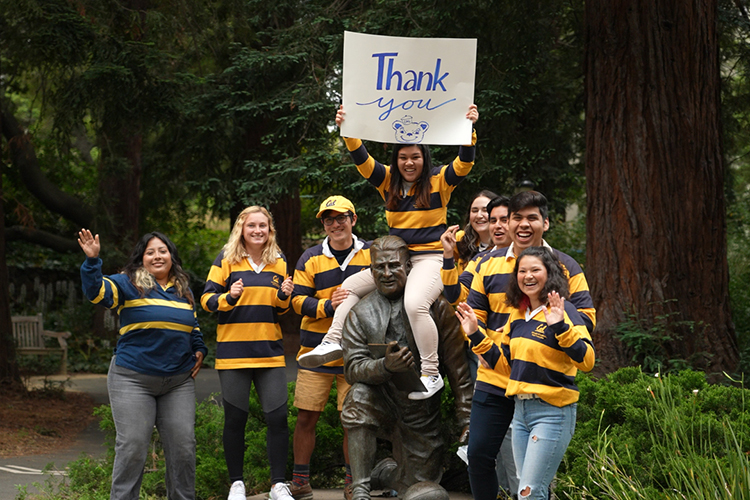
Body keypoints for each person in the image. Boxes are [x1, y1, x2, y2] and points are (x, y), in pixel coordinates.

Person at [299, 104, 480, 401]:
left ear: (425, 158)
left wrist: (468, 129)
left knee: (414, 304)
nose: (409, 163)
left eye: (415, 157)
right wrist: (348, 129)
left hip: (429, 259)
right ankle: (332, 340)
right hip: (397, 261)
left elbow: (464, 163)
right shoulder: (387, 182)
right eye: (403, 158)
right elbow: (362, 160)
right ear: (396, 161)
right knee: (349, 286)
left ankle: (431, 374)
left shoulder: (438, 181)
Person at [455, 191, 596, 500]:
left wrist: (552, 331)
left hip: (545, 384)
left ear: (545, 223)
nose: (522, 224)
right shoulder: (485, 264)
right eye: (515, 217)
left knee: (530, 482)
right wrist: (490, 346)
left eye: (531, 217)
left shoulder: (566, 265)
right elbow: (473, 318)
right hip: (497, 374)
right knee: (478, 456)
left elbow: (586, 321)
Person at [340, 236, 473, 500]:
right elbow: (352, 368)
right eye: (379, 268)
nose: (387, 273)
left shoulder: (436, 309)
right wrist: (384, 366)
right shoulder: (359, 312)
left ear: (409, 267)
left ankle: (386, 472)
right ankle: (361, 489)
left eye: (394, 266)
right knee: (357, 396)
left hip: (420, 413)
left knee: (425, 492)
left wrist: (466, 419)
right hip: (380, 399)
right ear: (371, 270)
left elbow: (458, 370)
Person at [78, 229, 207, 500]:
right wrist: (92, 261)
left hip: (178, 381)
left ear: (171, 256)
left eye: (163, 251)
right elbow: (97, 293)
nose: (157, 256)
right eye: (150, 252)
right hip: (132, 378)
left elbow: (192, 326)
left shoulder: (184, 289)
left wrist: (199, 348)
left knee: (183, 447)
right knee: (134, 447)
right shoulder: (128, 283)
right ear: (141, 258)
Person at [201, 206, 295, 500]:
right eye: (251, 225)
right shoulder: (226, 260)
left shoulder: (279, 262)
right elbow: (206, 300)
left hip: (269, 353)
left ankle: (278, 484)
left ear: (270, 230)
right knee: (235, 420)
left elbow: (281, 309)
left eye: (263, 226)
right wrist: (229, 297)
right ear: (241, 229)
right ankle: (237, 484)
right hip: (234, 354)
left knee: (278, 417)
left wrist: (283, 297)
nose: (257, 231)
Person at [289, 196, 371, 499]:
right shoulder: (310, 257)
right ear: (323, 224)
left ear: (354, 219)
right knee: (306, 417)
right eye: (328, 219)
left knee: (353, 421)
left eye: (341, 218)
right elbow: (297, 300)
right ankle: (300, 481)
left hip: (357, 355)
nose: (335, 224)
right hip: (314, 355)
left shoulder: (371, 253)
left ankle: (353, 483)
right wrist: (327, 305)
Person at [454, 189, 499, 273]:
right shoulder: (461, 239)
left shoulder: (506, 243)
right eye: (474, 211)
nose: (479, 215)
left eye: (485, 210)